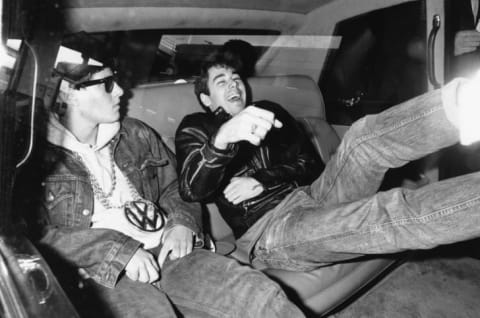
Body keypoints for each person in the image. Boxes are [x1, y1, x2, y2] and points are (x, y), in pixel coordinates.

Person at [15, 62, 304, 318]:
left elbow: (176, 186)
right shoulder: (30, 157)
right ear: (68, 92)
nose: (120, 92)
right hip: (99, 272)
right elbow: (33, 237)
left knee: (260, 294)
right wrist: (120, 251)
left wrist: (182, 224)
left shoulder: (136, 133)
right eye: (107, 85)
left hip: (169, 249)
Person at [175, 50, 480, 273]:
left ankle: (463, 104)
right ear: (206, 98)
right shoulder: (196, 128)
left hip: (315, 193)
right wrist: (222, 140)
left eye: (236, 78)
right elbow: (191, 189)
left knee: (362, 138)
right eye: (221, 81)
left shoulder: (269, 110)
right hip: (271, 230)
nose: (233, 85)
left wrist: (262, 179)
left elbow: (310, 164)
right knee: (385, 214)